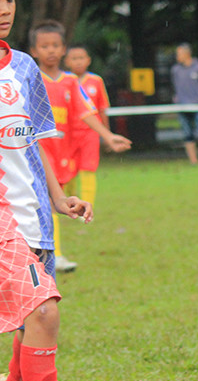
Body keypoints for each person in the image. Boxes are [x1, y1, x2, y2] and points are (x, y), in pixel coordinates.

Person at [0, 0, 94, 381]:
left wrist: (58, 199)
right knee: (44, 312)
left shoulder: (24, 68)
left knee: (27, 321)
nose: (5, 8)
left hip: (31, 217)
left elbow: (34, 145)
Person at [30, 21, 131, 272]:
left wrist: (107, 136)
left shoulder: (71, 81)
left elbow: (86, 112)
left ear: (63, 49)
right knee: (46, 202)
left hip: (65, 148)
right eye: (44, 46)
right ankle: (55, 254)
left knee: (59, 200)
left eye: (55, 45)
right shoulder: (30, 78)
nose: (51, 50)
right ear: (34, 50)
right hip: (39, 151)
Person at [64, 44, 110, 205]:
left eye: (81, 58)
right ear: (67, 61)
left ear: (88, 60)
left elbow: (102, 109)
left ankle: (87, 207)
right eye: (74, 58)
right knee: (68, 169)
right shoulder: (64, 81)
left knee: (88, 168)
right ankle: (71, 200)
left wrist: (107, 134)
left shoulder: (96, 81)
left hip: (90, 133)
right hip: (68, 134)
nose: (78, 62)